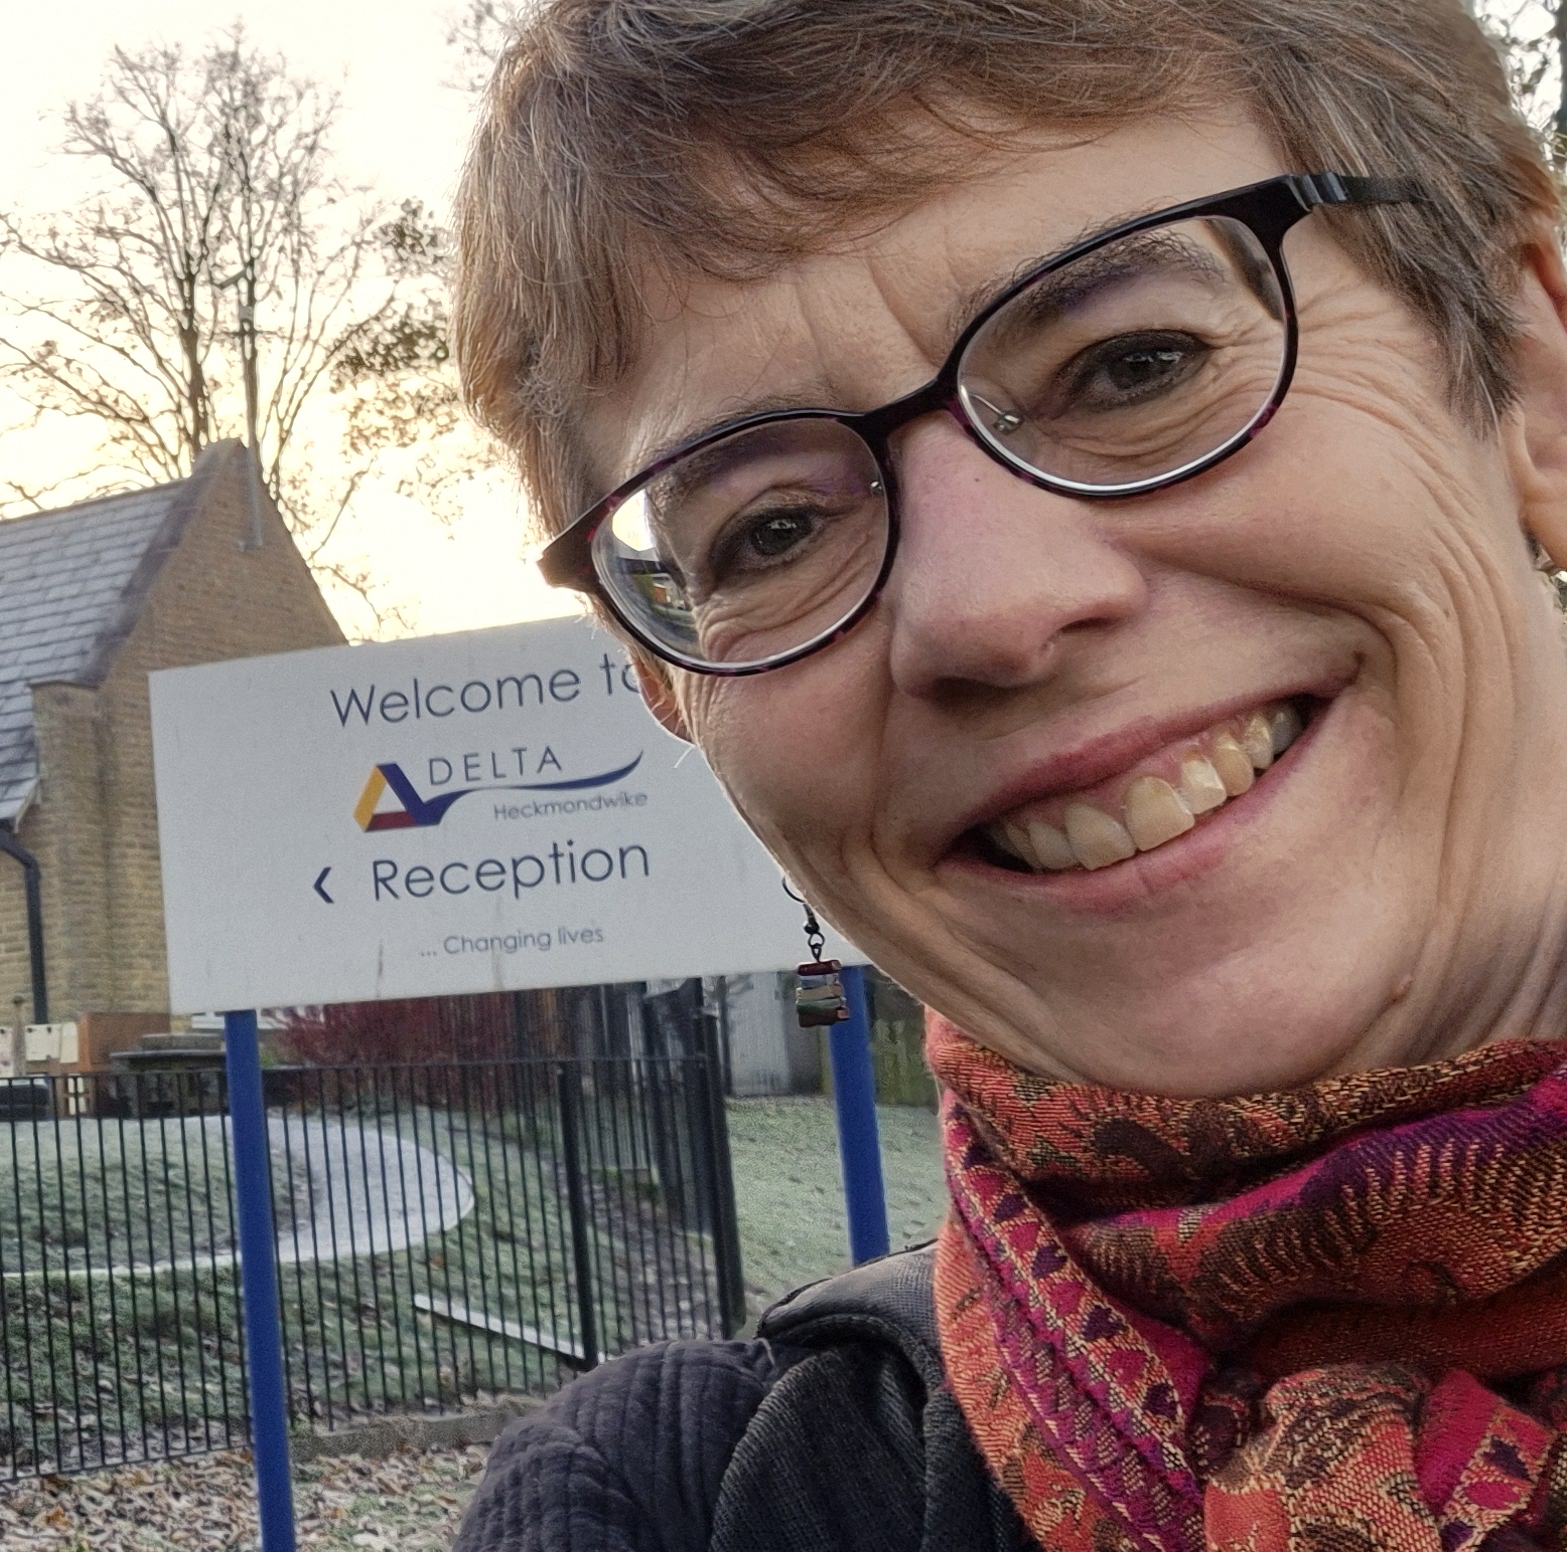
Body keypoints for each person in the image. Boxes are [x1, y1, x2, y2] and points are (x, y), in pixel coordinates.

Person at [445, 3, 1567, 1549]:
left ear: (1530, 380)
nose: (990, 610)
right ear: (671, 689)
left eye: (1134, 365)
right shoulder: (669, 1508)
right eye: (773, 531)